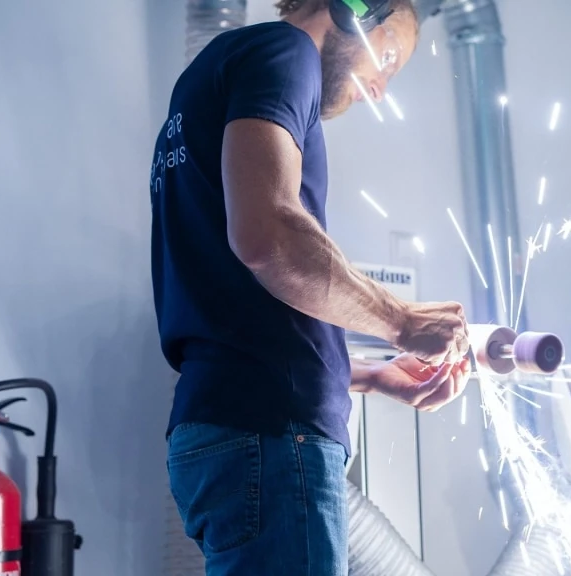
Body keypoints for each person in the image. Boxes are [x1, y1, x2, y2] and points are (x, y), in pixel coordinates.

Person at [149, 1, 471, 574]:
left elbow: (238, 310)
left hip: (235, 426)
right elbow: (268, 238)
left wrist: (366, 375)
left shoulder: (214, 75)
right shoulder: (285, 51)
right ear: (356, 8)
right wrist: (400, 320)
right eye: (387, 58)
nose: (380, 89)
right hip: (271, 437)